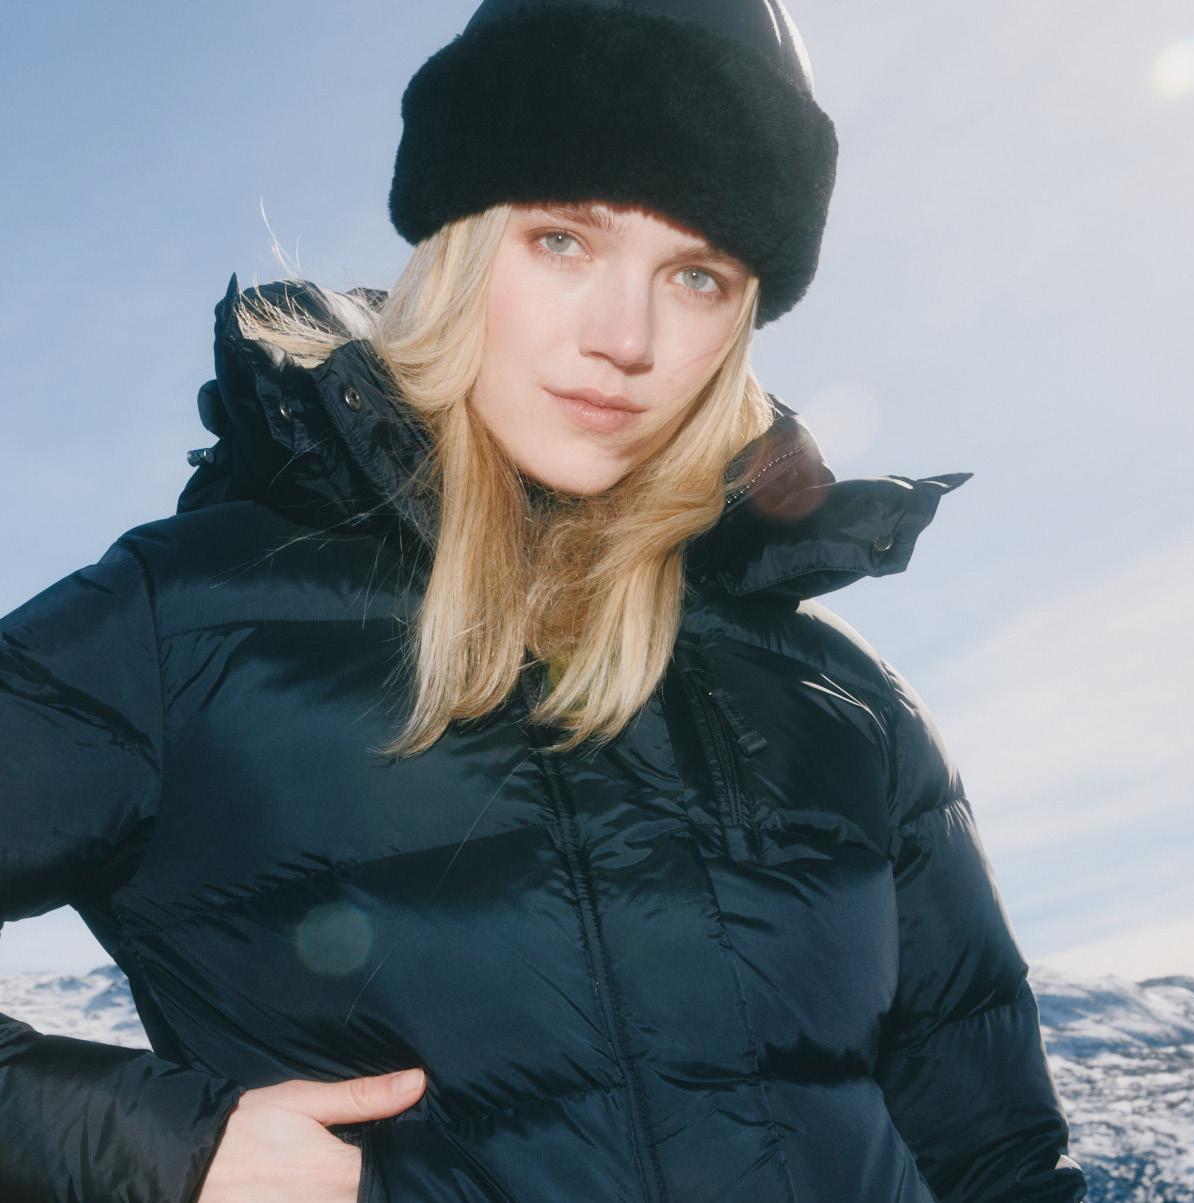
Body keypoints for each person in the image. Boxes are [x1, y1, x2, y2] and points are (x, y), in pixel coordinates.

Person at [0, 2, 1087, 1201]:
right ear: (463, 243)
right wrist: (162, 1152)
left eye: (697, 274)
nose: (626, 337)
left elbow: (1000, 1165)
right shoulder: (191, 620)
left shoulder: (848, 702)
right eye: (563, 240)